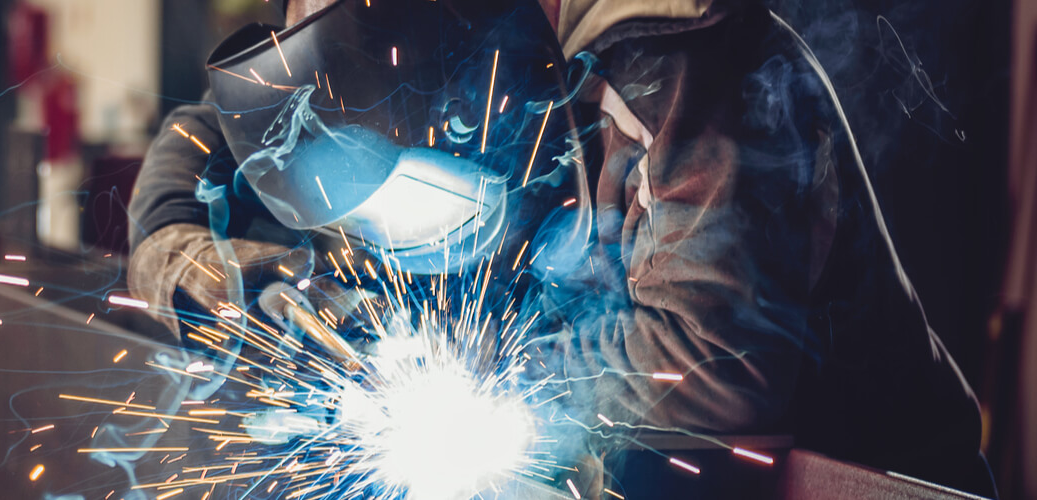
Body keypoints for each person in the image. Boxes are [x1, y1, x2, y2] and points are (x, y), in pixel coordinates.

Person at [124, 0, 995, 496]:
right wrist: (175, 239)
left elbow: (712, 359)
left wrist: (467, 375)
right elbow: (212, 131)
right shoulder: (431, 48)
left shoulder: (671, 55)